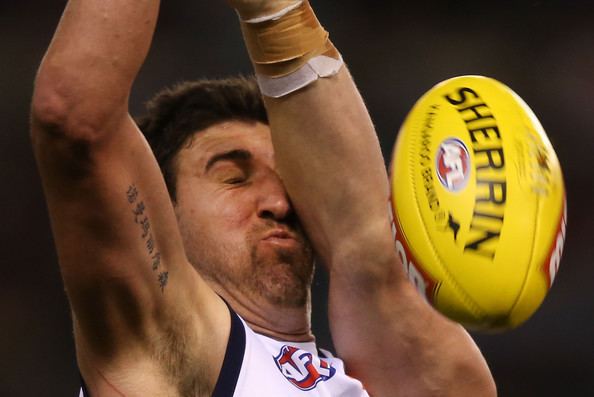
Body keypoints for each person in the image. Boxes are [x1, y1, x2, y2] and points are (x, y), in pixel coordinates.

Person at [30, 0, 496, 396]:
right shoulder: (171, 350)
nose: (279, 202)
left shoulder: (410, 376)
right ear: (161, 214)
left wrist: (273, 9)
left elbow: (367, 245)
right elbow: (74, 120)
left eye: (290, 183)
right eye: (235, 178)